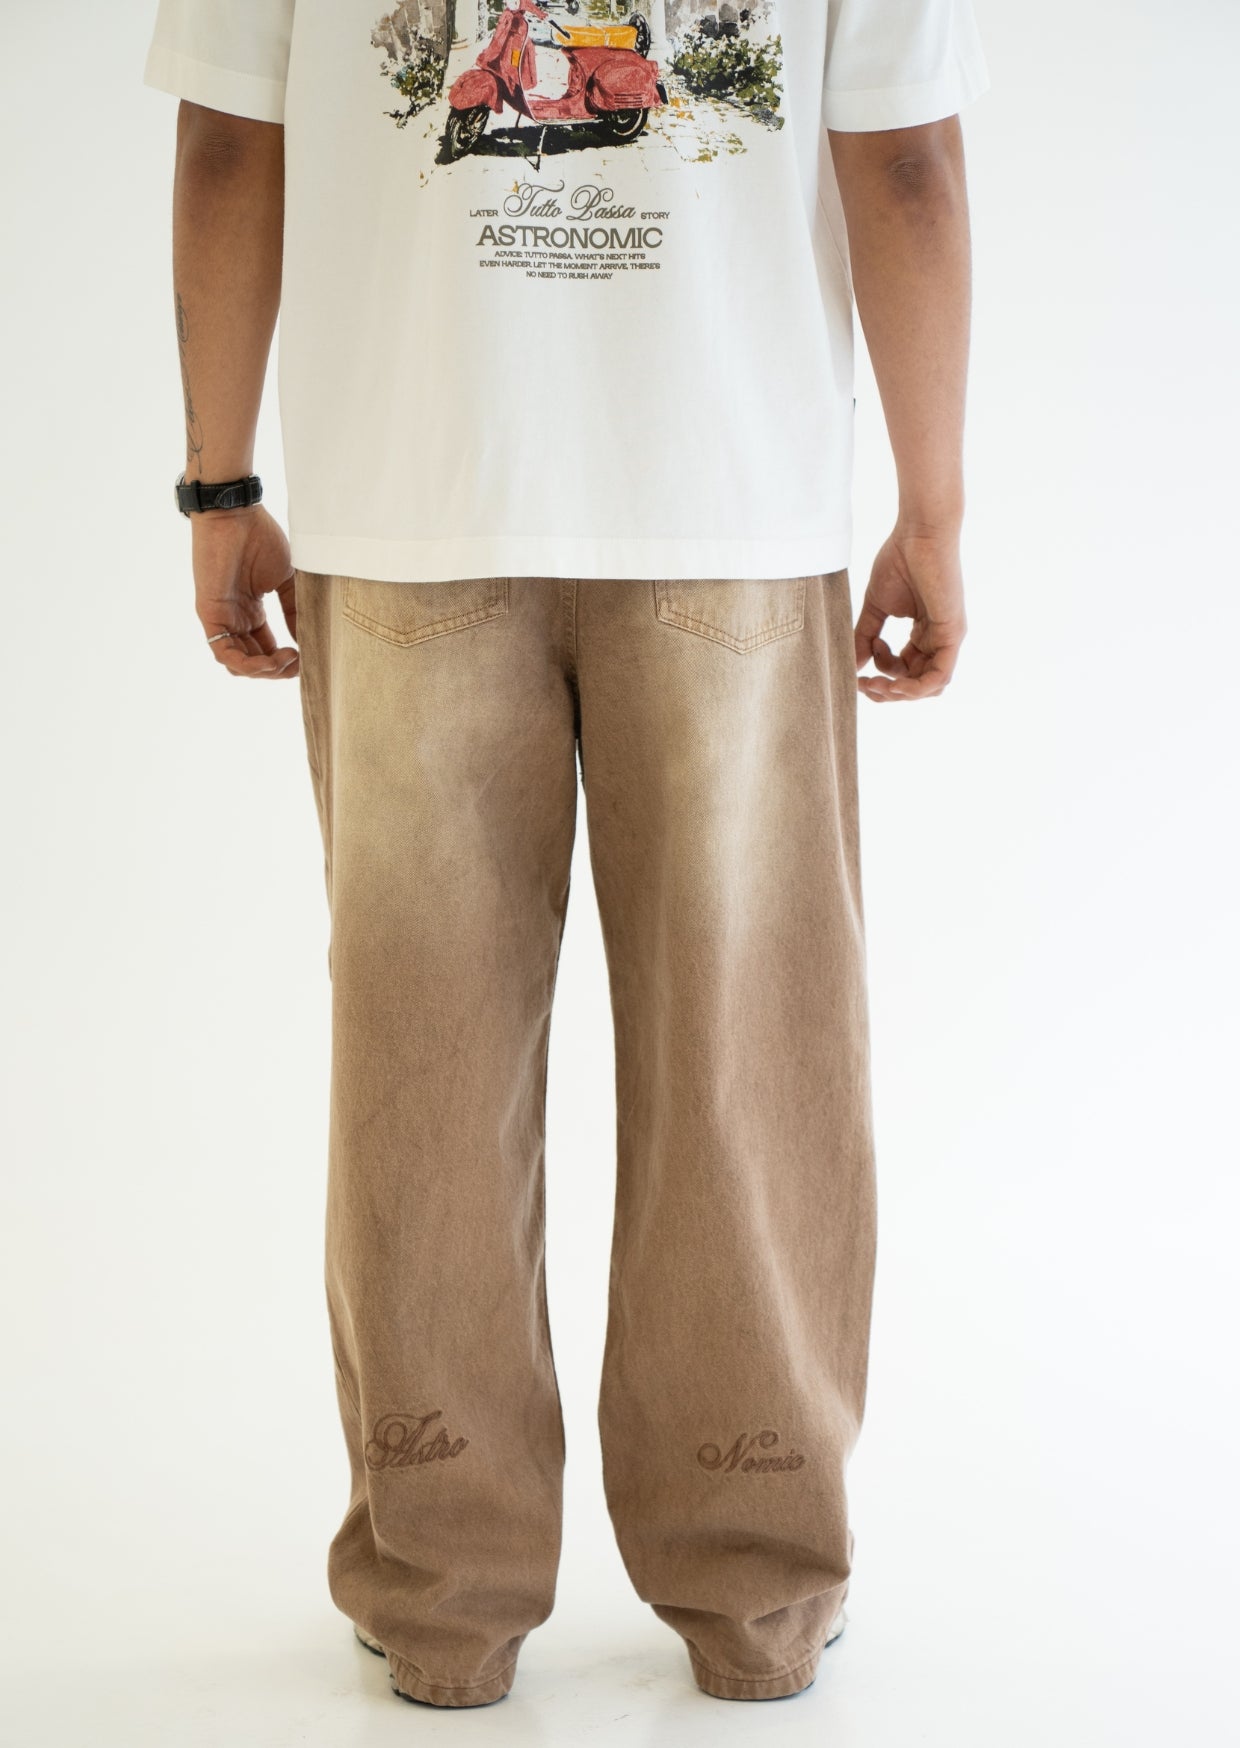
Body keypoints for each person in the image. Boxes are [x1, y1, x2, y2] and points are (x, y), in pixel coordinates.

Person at [144, 0, 988, 1710]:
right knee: (747, 1050)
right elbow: (905, 167)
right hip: (730, 508)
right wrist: (933, 508)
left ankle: (442, 1589)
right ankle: (757, 1579)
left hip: (410, 509)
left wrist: (219, 485)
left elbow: (231, 142)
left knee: (423, 1061)